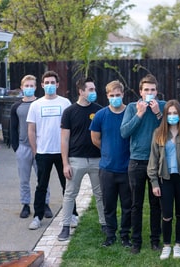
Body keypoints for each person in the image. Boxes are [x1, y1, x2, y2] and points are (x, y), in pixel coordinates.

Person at [147, 99, 180, 260]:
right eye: (169, 113)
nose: (172, 116)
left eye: (175, 113)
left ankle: (178, 245)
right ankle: (167, 245)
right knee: (167, 214)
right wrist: (154, 182)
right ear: (165, 115)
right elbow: (153, 160)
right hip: (165, 180)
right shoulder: (159, 133)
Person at [120, 74, 166, 254]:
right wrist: (140, 114)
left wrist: (157, 113)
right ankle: (136, 242)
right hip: (137, 162)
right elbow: (124, 132)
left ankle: (155, 240)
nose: (149, 93)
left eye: (152, 90)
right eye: (146, 90)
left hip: (158, 162)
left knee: (156, 204)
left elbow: (171, 131)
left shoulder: (162, 106)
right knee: (136, 205)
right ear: (140, 92)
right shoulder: (132, 107)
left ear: (157, 91)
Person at [57, 77, 106, 241]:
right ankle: (65, 227)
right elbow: (64, 139)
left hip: (96, 160)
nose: (94, 92)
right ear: (81, 91)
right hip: (75, 160)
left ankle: (105, 225)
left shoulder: (100, 111)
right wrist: (65, 163)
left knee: (100, 194)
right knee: (70, 194)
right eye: (90, 90)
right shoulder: (69, 112)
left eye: (94, 89)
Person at [27, 70, 76, 230]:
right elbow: (31, 130)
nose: (49, 85)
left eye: (52, 83)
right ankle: (37, 217)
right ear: (42, 85)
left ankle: (72, 215)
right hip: (43, 153)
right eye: (46, 83)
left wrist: (69, 153)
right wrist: (35, 151)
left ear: (57, 84)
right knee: (41, 186)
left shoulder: (65, 103)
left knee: (67, 185)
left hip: (62, 153)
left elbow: (71, 128)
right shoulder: (36, 105)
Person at [90, 80, 132, 248]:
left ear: (123, 94)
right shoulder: (100, 115)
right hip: (107, 168)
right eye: (112, 95)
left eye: (118, 95)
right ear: (107, 96)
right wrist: (108, 150)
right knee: (109, 204)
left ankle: (125, 235)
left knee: (128, 205)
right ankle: (110, 235)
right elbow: (95, 139)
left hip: (127, 168)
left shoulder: (131, 112)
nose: (115, 98)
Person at [10, 75, 52, 219]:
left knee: (42, 178)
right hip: (23, 147)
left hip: (40, 147)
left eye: (31, 86)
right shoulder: (16, 107)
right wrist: (16, 147)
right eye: (26, 86)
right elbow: (13, 127)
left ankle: (45, 204)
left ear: (36, 87)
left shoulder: (41, 104)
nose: (28, 88)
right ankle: (26, 205)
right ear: (21, 88)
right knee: (24, 179)